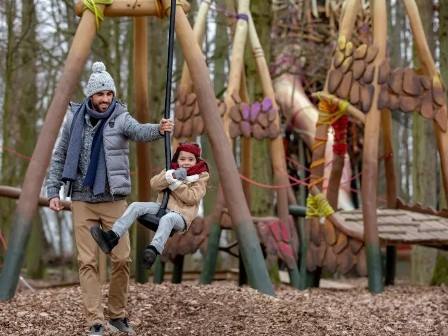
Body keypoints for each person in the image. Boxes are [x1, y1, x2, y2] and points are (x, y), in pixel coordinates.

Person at [45, 61, 173, 336]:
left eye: (109, 94)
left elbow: (139, 131)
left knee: (122, 258)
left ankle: (116, 315)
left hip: (113, 200)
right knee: (87, 261)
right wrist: (53, 191)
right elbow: (59, 155)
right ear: (91, 94)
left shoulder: (120, 117)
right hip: (81, 198)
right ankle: (95, 320)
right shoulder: (74, 118)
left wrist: (159, 129)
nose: (105, 99)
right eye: (101, 94)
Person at [90, 142, 209, 269]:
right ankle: (112, 237)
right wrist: (171, 176)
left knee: (168, 219)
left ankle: (153, 250)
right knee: (136, 206)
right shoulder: (171, 170)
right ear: (177, 160)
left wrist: (176, 184)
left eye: (190, 159)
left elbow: (192, 197)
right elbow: (154, 184)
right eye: (182, 159)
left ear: (196, 161)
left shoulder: (200, 176)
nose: (186, 162)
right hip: (162, 208)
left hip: (181, 216)